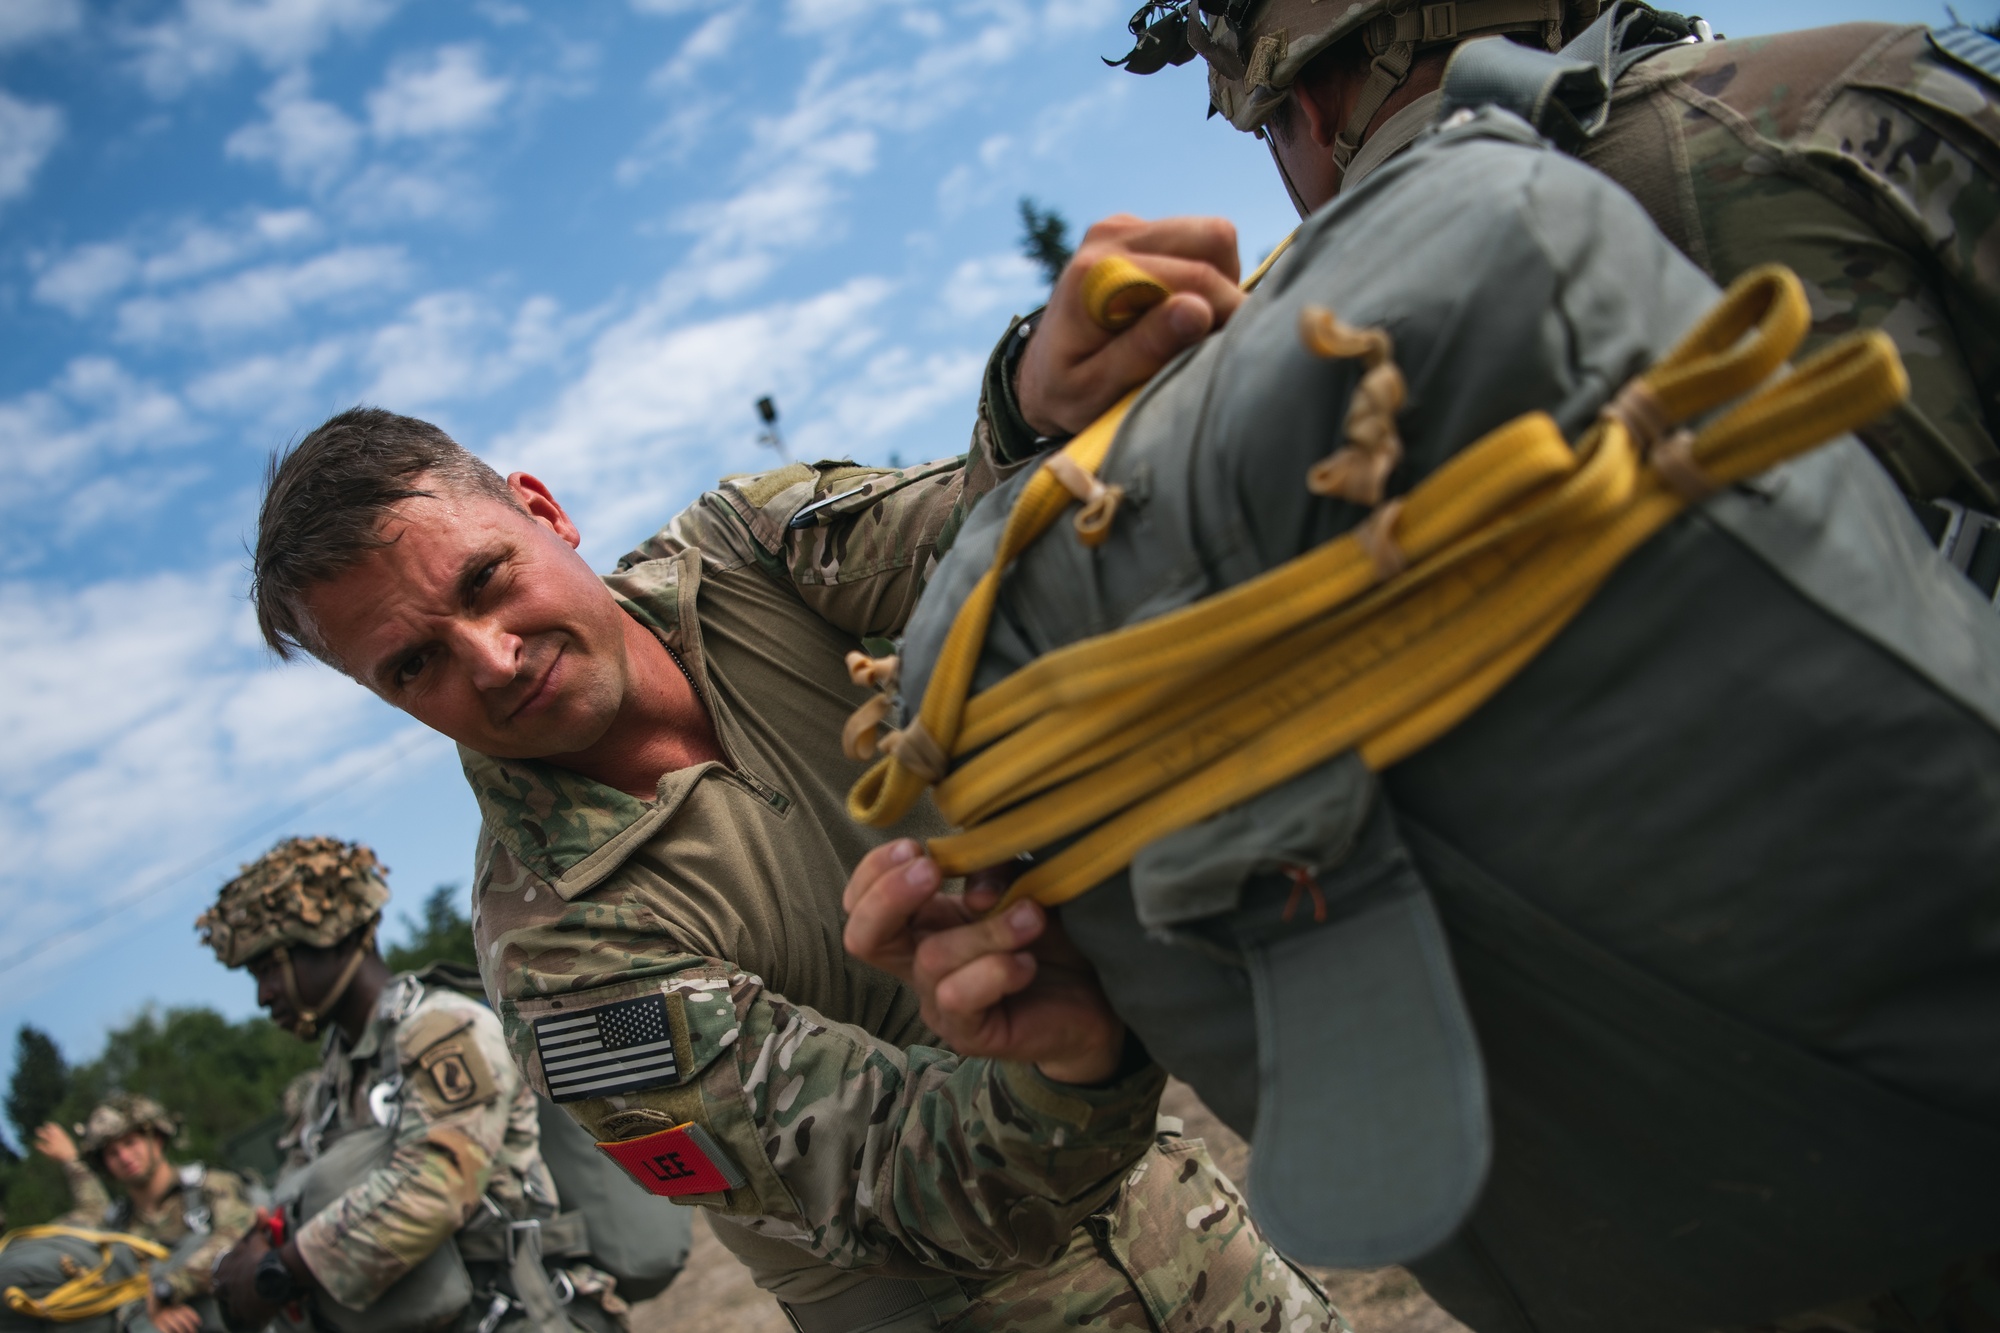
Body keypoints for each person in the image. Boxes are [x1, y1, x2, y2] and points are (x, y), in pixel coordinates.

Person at [842, 108, 2000, 1333]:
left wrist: (1036, 409)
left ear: (1297, 100)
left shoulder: (747, 547)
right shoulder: (1799, 106)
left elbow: (935, 552)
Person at [243, 408, 1341, 1333]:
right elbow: (912, 1183)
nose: (492, 659)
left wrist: (1031, 397)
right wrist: (1077, 1055)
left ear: (543, 510)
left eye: (487, 579)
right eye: (415, 663)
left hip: (1202, 1244)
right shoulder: (557, 955)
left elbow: (999, 531)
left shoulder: (745, 553)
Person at [1006, 2, 2000, 576]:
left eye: (1264, 129)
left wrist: (1019, 392)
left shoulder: (1223, 380)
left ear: (1306, 101)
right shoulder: (1843, 98)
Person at [199, 836, 624, 1333]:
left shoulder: (441, 1028)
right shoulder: (329, 1085)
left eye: (271, 967)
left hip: (512, 1312)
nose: (263, 995)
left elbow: (436, 1185)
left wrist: (280, 1271)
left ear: (335, 936)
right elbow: (294, 1191)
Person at [31, 1094, 254, 1333]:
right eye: (112, 1153)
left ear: (156, 1138)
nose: (125, 1158)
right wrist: (145, 1315)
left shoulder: (210, 1187)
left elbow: (238, 1238)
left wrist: (167, 1290)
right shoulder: (118, 1229)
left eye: (130, 1142)